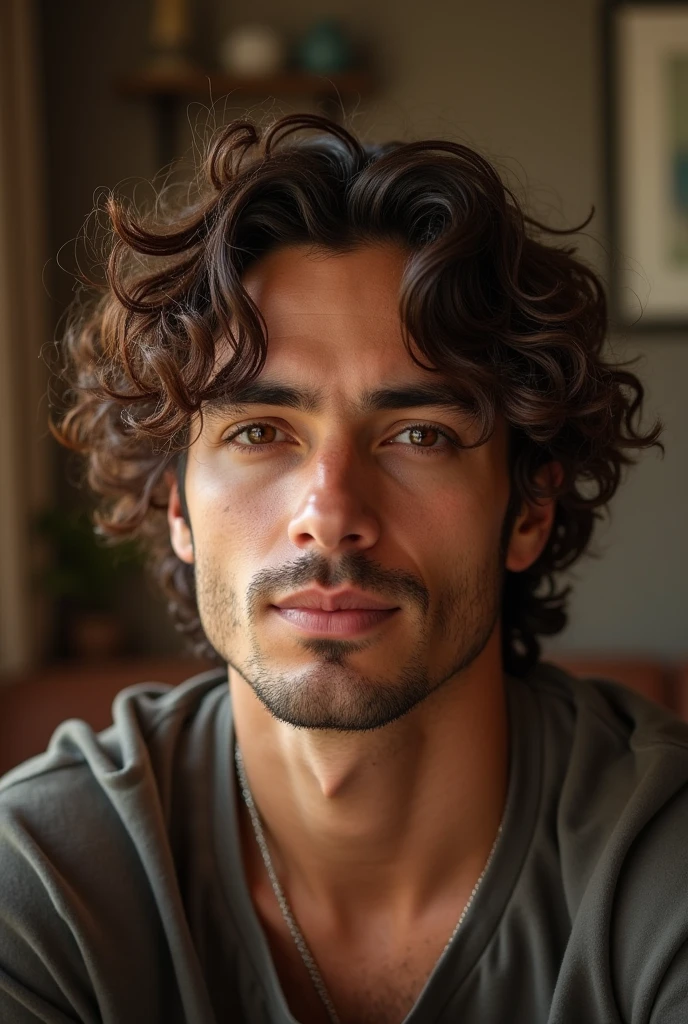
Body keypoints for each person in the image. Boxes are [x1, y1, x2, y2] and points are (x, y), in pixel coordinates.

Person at [0, 111, 685, 1024]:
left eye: (417, 434)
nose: (330, 516)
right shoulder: (47, 880)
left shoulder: (661, 859)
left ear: (527, 510)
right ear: (177, 510)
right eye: (258, 432)